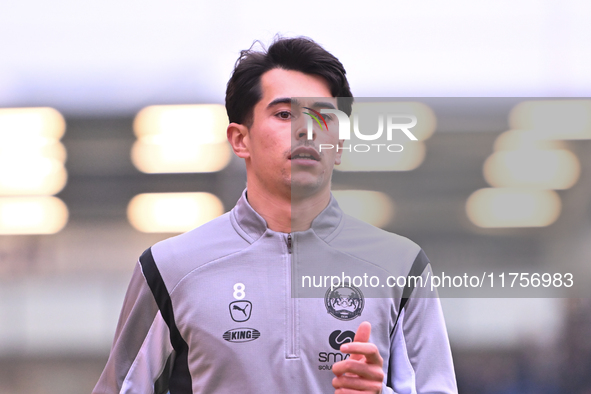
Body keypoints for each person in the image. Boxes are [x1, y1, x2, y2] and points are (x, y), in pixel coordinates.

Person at [93, 36, 457, 394]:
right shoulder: (169, 268)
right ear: (240, 139)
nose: (307, 129)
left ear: (340, 145)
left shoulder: (401, 266)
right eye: (284, 114)